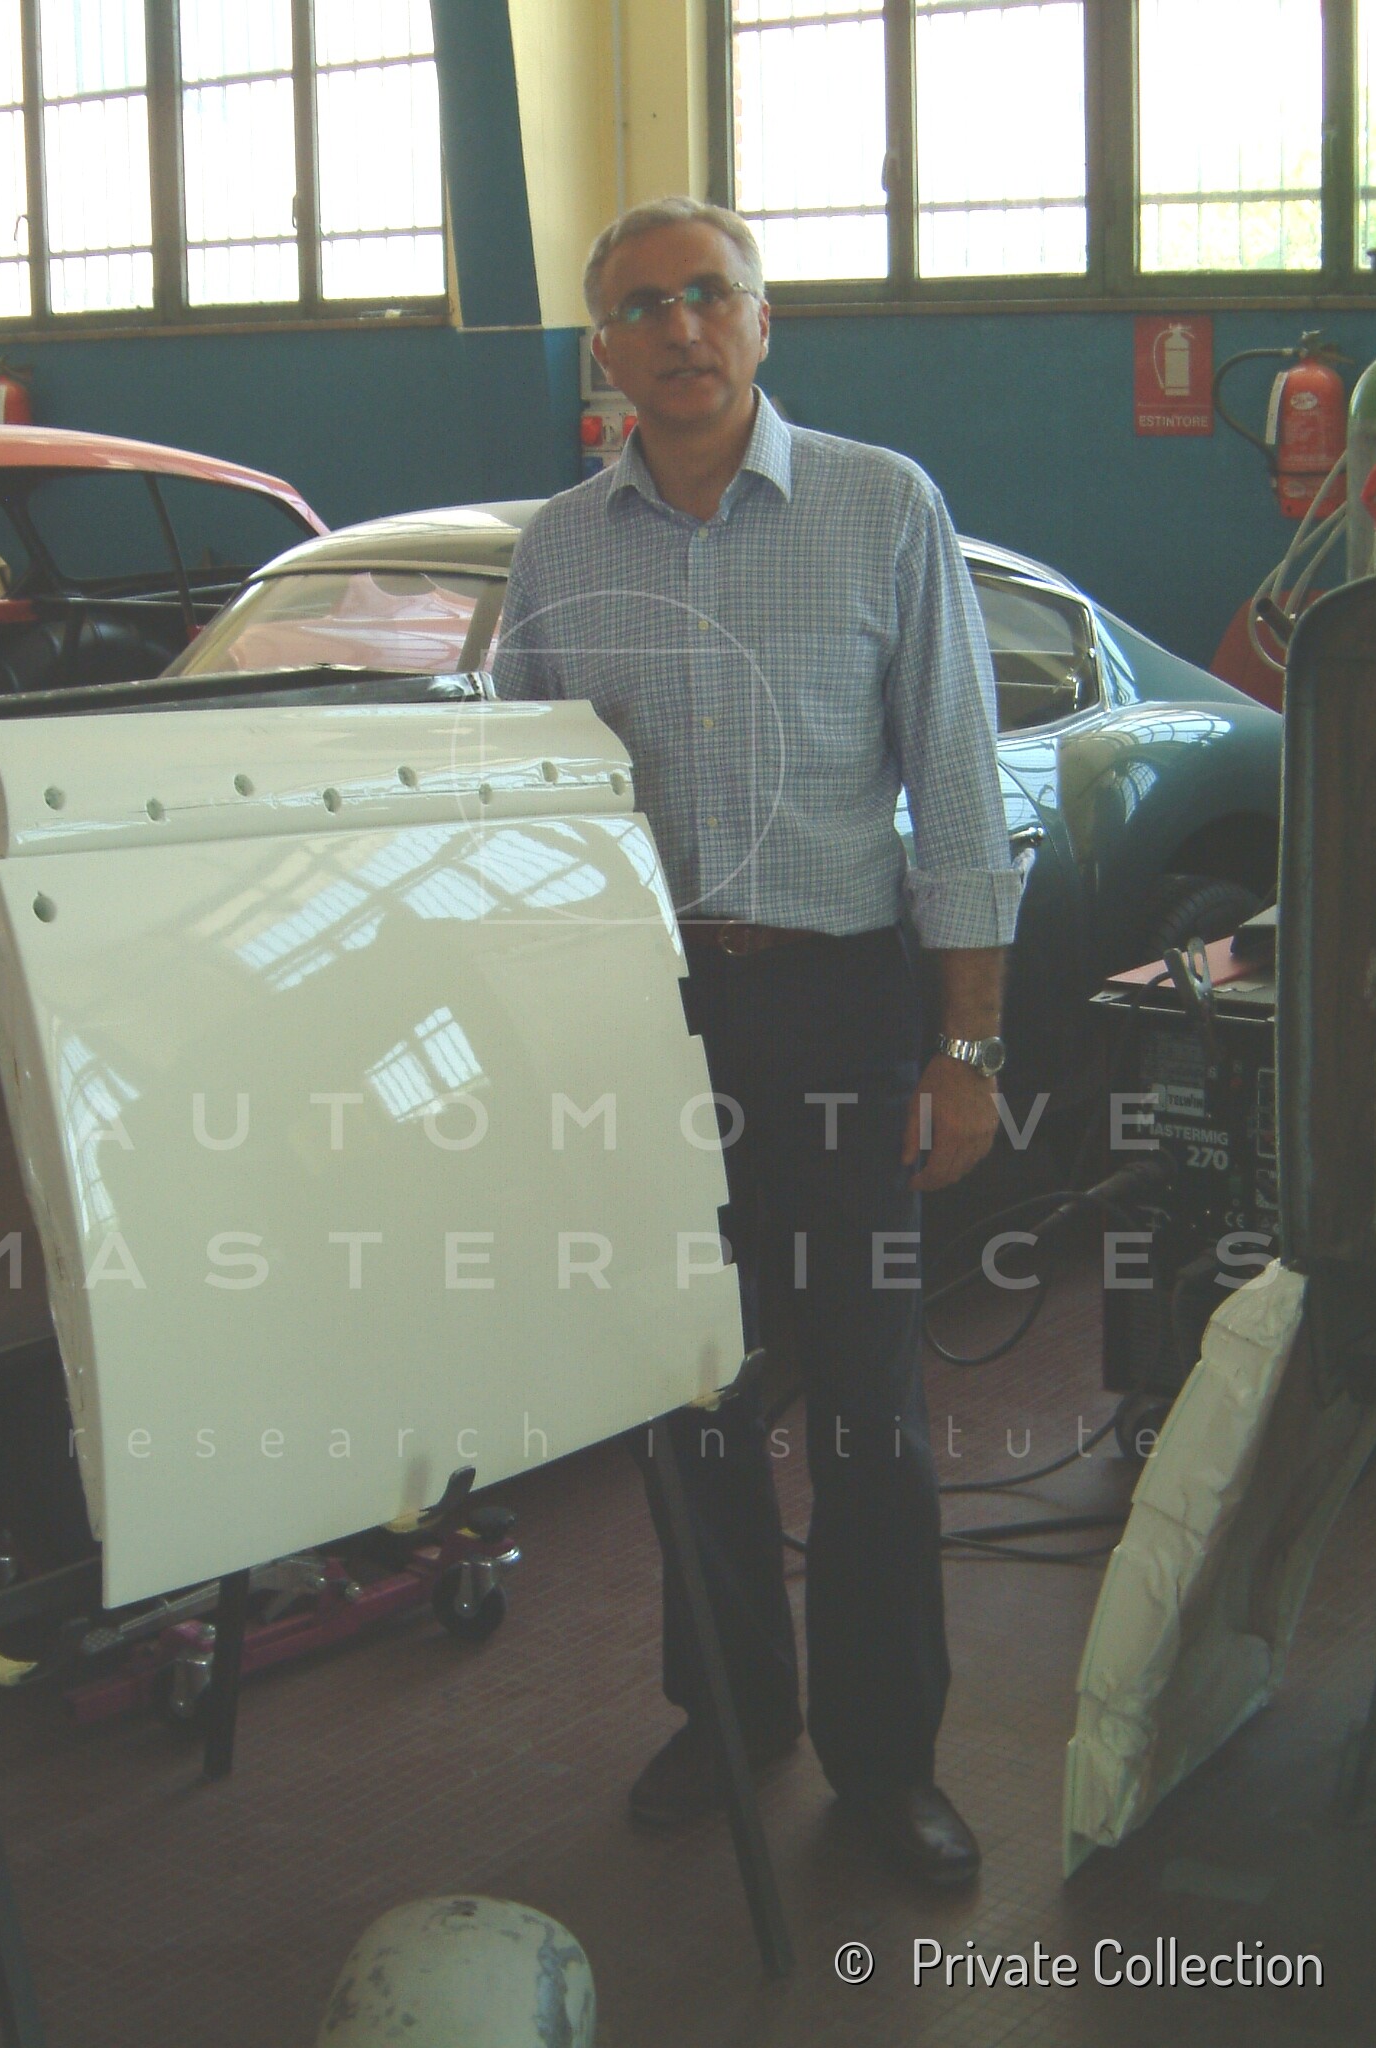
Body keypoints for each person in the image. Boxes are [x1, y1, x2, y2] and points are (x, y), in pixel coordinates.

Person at [492, 196, 1021, 1888]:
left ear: (762, 320)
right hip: (648, 1023)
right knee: (686, 1391)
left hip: (844, 1006)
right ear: (603, 350)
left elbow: (959, 793)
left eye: (707, 295)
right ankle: (729, 1713)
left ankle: (887, 1759)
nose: (679, 328)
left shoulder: (881, 507)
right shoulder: (558, 551)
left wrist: (967, 1051)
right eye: (642, 305)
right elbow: (515, 809)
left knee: (868, 1406)